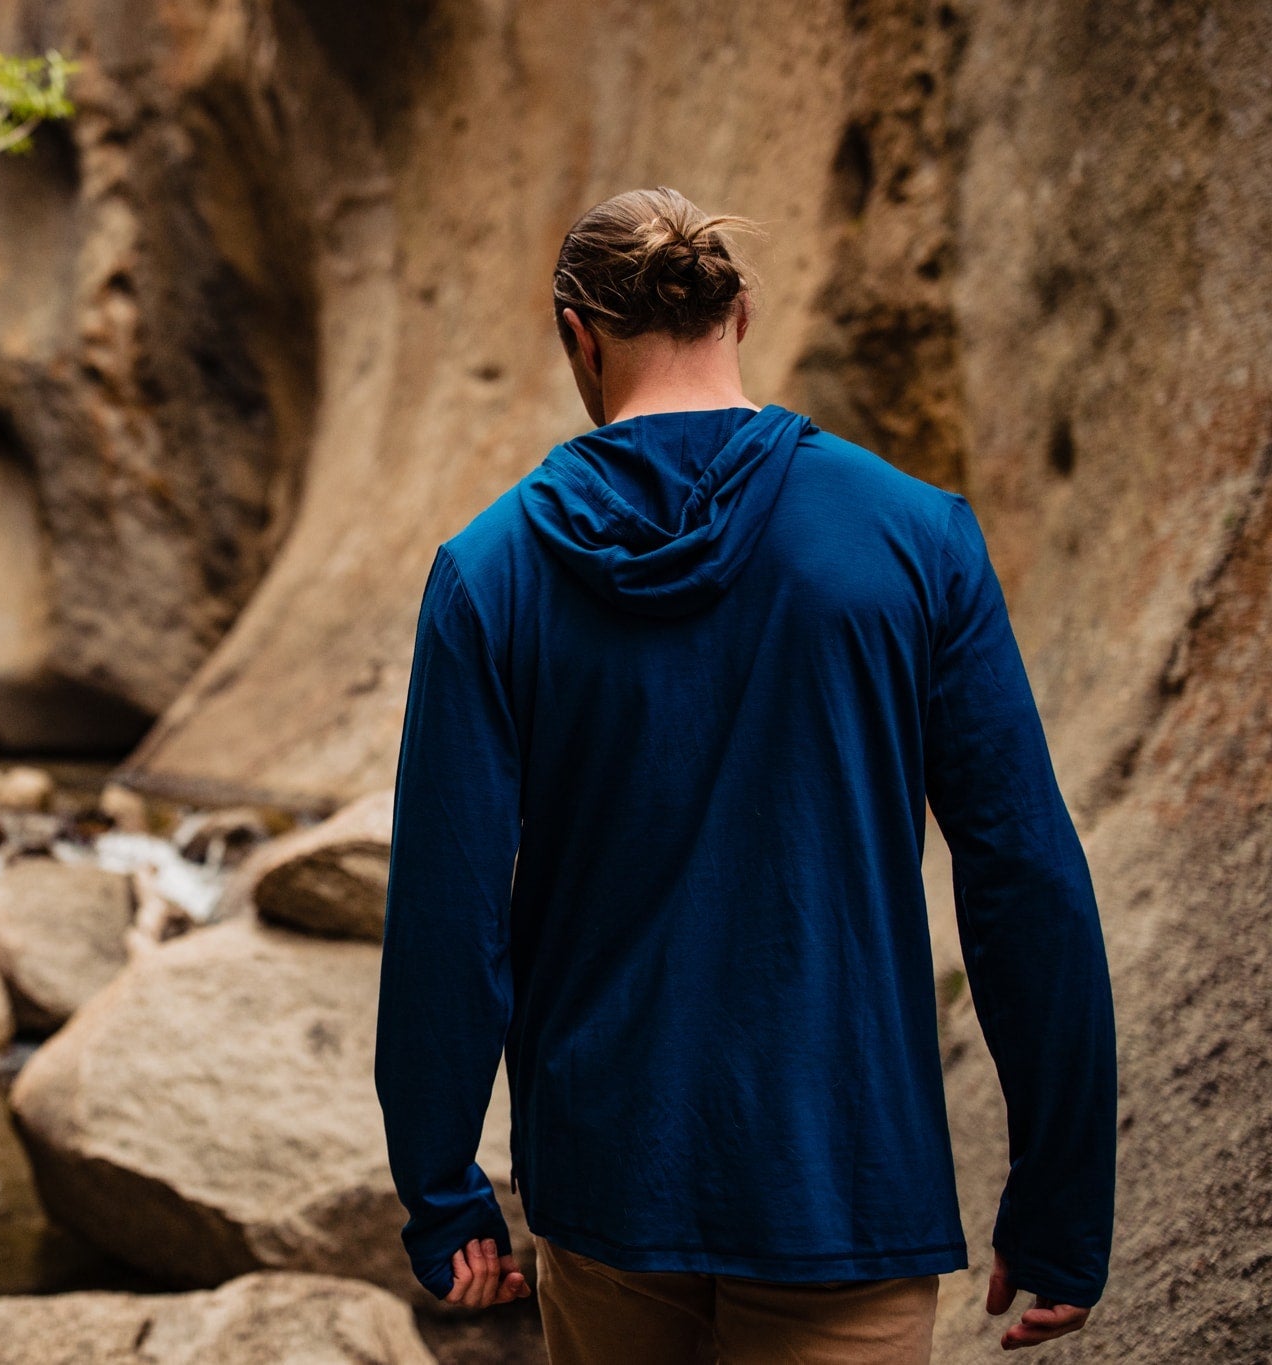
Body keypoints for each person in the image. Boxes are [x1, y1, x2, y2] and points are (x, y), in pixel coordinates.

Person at [373, 186, 1116, 1364]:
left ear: (576, 335)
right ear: (740, 313)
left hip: (607, 1186)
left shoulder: (488, 572)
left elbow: (444, 913)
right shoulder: (912, 536)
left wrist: (441, 1189)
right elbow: (1021, 875)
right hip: (844, 1182)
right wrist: (1060, 1201)